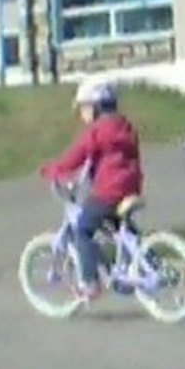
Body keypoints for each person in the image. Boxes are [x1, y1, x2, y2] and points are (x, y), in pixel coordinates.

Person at [40, 77, 143, 301]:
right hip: (130, 187)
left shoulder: (97, 131)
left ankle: (90, 283)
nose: (82, 115)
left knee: (83, 231)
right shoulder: (124, 126)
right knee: (121, 229)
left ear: (95, 107)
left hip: (110, 190)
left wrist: (54, 169)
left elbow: (76, 156)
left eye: (84, 108)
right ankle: (148, 262)